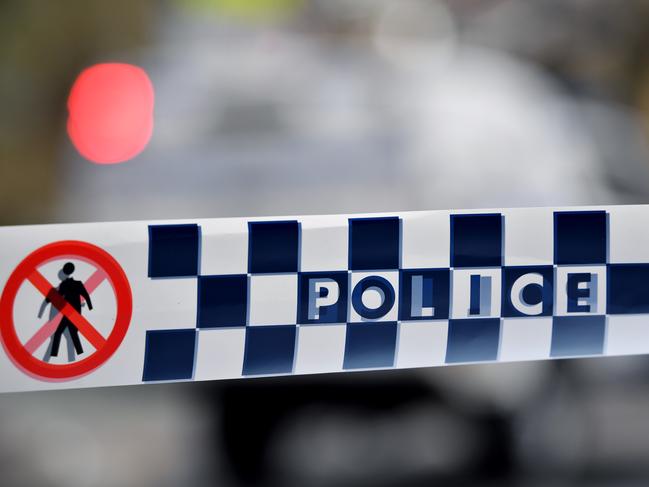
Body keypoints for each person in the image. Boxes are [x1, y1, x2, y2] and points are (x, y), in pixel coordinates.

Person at [45, 262, 93, 357]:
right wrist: (89, 306)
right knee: (72, 333)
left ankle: (54, 354)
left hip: (68, 312)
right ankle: (79, 353)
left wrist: (48, 299)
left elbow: (58, 296)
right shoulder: (78, 284)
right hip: (74, 312)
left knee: (60, 333)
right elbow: (86, 295)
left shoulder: (64, 285)